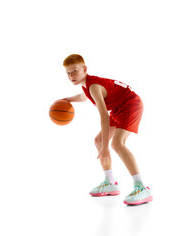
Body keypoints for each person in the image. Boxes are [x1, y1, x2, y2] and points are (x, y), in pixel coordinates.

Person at [60, 54, 153, 205]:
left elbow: (103, 116)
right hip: (119, 108)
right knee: (98, 140)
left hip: (130, 104)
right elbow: (83, 96)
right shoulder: (86, 84)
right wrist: (66, 100)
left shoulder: (94, 86)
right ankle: (110, 182)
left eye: (75, 71)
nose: (71, 76)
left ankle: (141, 187)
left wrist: (105, 149)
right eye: (68, 73)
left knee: (117, 144)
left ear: (85, 69)